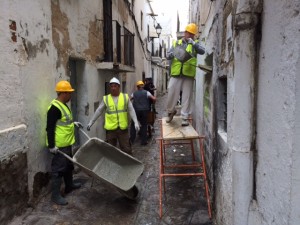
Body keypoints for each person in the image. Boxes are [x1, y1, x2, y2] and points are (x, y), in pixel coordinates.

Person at [46, 80, 82, 205]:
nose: (70, 96)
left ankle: (69, 185)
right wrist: (51, 145)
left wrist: (73, 124)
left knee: (68, 166)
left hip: (67, 142)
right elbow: (50, 128)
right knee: (58, 170)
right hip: (59, 145)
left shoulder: (64, 105)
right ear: (63, 93)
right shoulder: (54, 108)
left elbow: (64, 122)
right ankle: (55, 196)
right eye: (69, 93)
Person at [86, 77, 140, 155]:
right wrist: (91, 122)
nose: (113, 88)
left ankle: (127, 165)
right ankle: (112, 166)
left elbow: (131, 110)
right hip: (111, 130)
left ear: (119, 87)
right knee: (110, 151)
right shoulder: (106, 99)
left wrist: (135, 122)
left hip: (123, 129)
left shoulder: (125, 97)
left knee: (127, 149)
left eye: (115, 86)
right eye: (111, 86)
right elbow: (99, 111)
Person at [166, 23, 205, 126]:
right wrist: (170, 54)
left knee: (187, 96)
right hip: (176, 73)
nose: (190, 35)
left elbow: (202, 51)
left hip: (188, 74)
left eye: (192, 34)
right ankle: (171, 111)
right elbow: (168, 55)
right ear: (185, 32)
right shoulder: (176, 43)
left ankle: (184, 117)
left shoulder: (195, 43)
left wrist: (193, 44)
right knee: (171, 92)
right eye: (189, 33)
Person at [130, 80, 156, 145]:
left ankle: (132, 140)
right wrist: (153, 103)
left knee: (133, 124)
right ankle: (143, 141)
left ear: (137, 87)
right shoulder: (147, 93)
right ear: (142, 86)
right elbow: (154, 99)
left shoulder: (134, 93)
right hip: (145, 111)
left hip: (136, 111)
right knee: (144, 125)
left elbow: (129, 100)